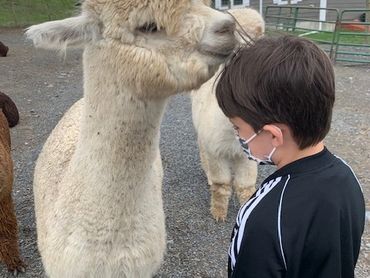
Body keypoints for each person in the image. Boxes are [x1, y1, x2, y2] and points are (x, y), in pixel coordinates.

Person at [215, 35, 365, 278]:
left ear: (274, 136)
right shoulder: (347, 176)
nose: (238, 136)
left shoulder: (267, 215)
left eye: (237, 127)